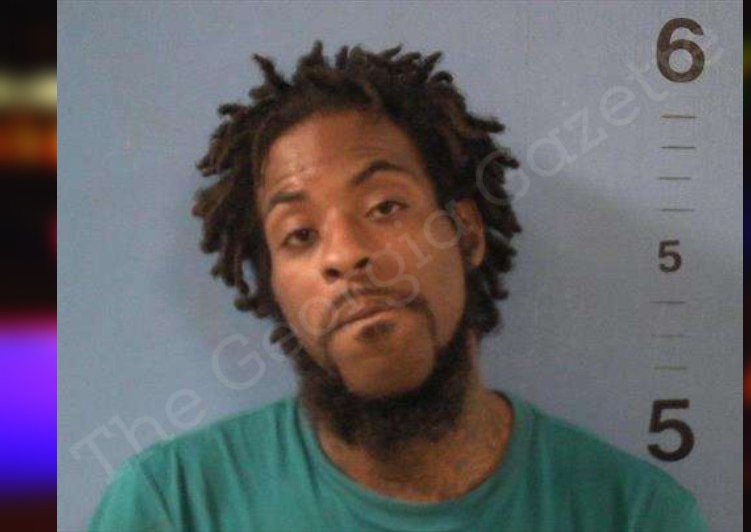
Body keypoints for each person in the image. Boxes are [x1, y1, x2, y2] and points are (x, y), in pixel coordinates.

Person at [89, 41, 708, 531]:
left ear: (465, 233)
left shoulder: (633, 515)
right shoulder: (173, 507)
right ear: (272, 287)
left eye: (385, 207)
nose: (346, 255)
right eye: (300, 234)